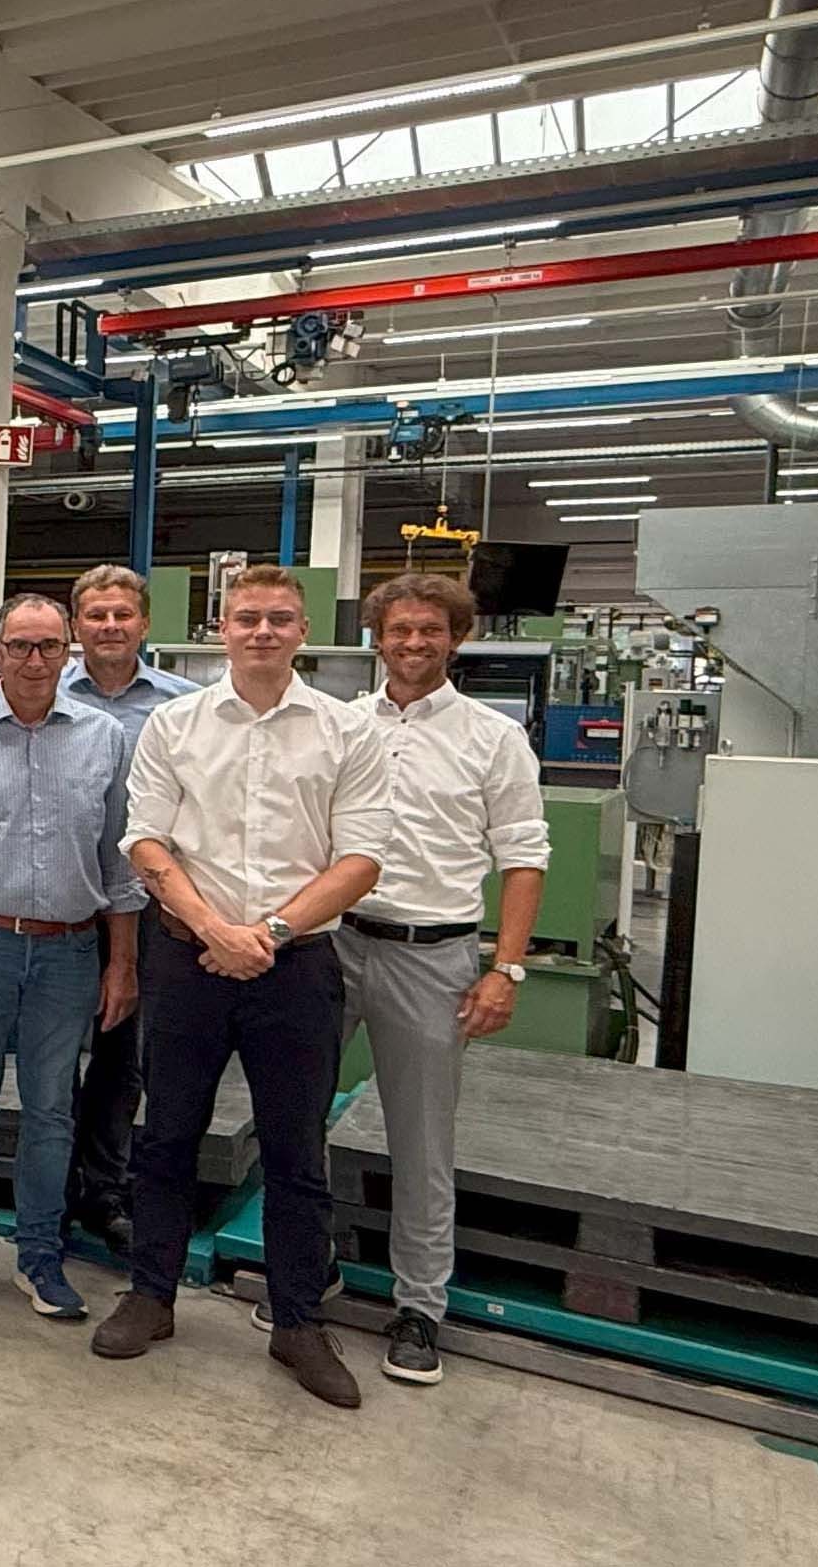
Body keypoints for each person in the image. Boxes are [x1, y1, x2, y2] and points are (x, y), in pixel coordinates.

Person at [94, 564, 391, 1410]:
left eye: (279, 619)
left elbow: (361, 857)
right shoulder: (176, 725)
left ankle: (297, 1320)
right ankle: (151, 1295)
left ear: (303, 632)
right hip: (187, 959)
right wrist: (215, 929)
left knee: (296, 1151)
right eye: (248, 618)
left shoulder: (346, 731)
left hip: (296, 969)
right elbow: (145, 841)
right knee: (166, 1136)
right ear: (221, 630)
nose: (263, 631)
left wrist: (270, 934)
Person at [325, 572, 548, 1386]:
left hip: (432, 956)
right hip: (333, 944)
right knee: (294, 1117)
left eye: (430, 630)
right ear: (377, 638)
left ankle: (419, 1307)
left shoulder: (494, 738)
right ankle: (305, 1269)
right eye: (399, 630)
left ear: (457, 639)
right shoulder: (342, 725)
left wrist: (505, 969)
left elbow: (524, 855)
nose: (413, 643)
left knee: (421, 1141)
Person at [0, 596, 142, 1322]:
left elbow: (121, 865)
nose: (34, 660)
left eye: (49, 646)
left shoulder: (105, 738)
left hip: (69, 950)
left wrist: (122, 965)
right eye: (20, 646)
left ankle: (41, 1254)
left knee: (51, 1110)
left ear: (68, 652)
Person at [60, 564, 199, 1249]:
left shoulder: (187, 707)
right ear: (76, 625)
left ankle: (105, 1189)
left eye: (122, 614)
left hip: (148, 907)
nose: (110, 626)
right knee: (54, 1057)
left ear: (144, 623)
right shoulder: (41, 691)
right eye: (96, 614)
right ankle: (52, 1189)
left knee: (124, 1057)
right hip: (63, 903)